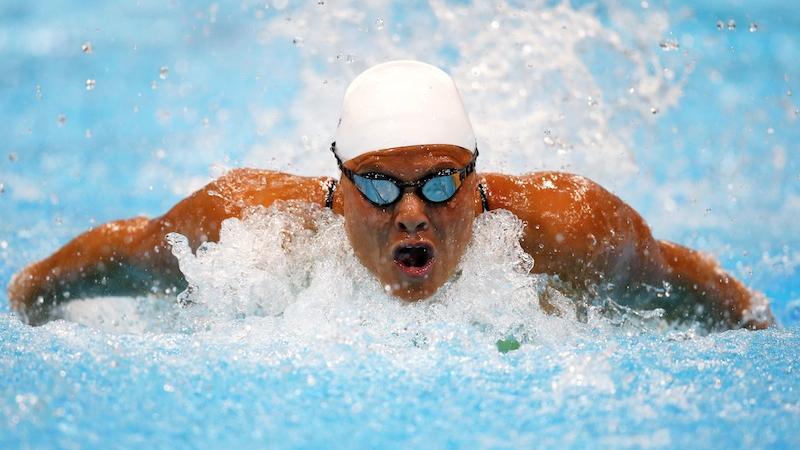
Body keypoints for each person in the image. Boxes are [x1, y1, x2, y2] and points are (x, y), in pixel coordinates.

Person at [7, 60, 772, 329]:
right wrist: (28, 296)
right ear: (338, 191)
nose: (412, 212)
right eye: (378, 185)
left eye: (440, 183)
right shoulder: (246, 228)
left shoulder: (572, 230)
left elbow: (680, 281)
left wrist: (762, 329)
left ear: (477, 191)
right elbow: (132, 251)